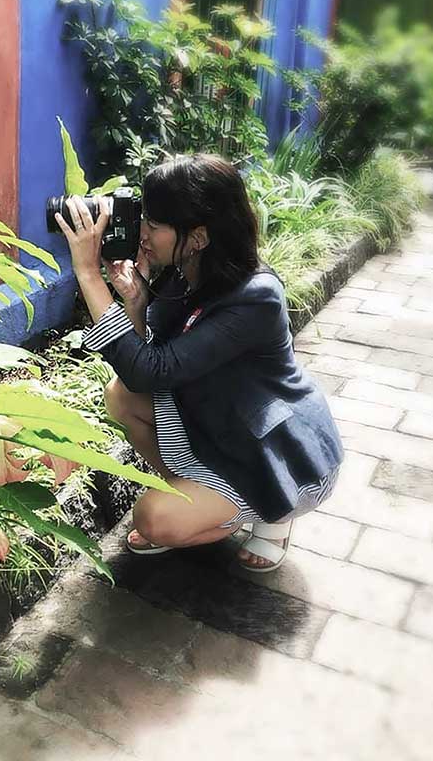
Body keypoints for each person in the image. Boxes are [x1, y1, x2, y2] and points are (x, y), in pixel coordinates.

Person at [53, 154, 343, 572]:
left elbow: (149, 369)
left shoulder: (256, 296)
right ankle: (197, 498)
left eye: (153, 224)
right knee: (122, 397)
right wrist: (135, 299)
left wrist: (89, 274)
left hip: (274, 453)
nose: (143, 233)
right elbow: (144, 363)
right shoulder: (185, 268)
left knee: (153, 518)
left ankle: (270, 515)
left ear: (199, 236)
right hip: (218, 426)